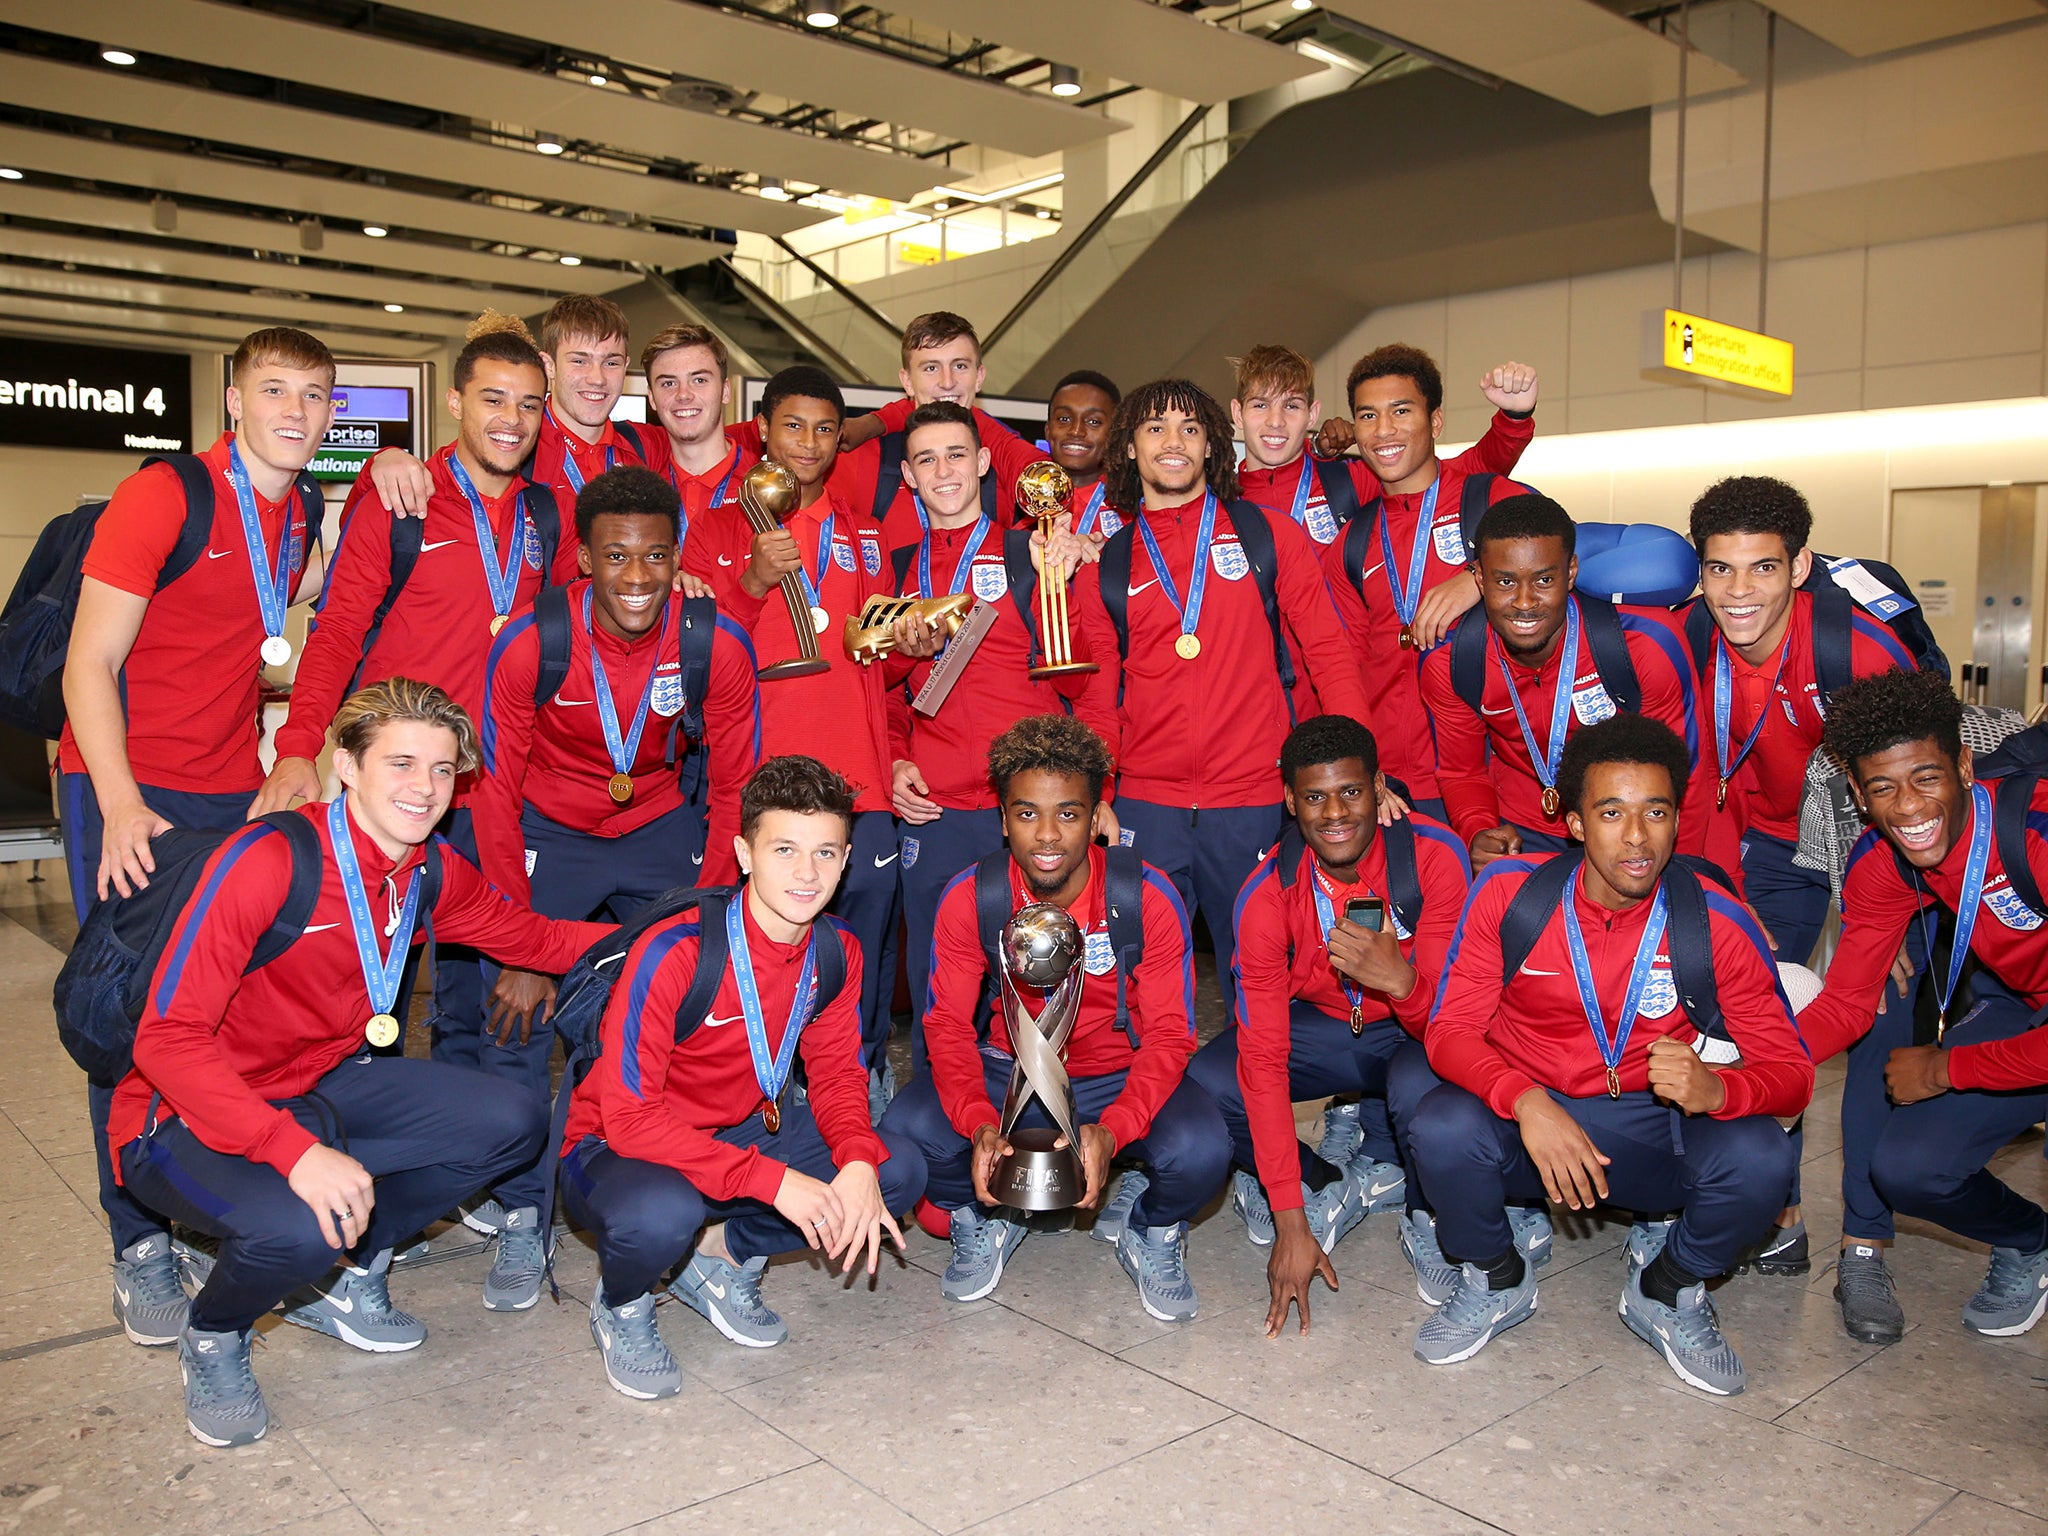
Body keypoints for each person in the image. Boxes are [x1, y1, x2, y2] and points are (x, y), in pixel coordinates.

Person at [111, 680, 614, 1447]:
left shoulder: (425, 870)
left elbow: (537, 941)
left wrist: (680, 933)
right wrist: (295, 1153)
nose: (425, 789)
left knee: (512, 1121)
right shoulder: (270, 860)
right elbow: (165, 1040)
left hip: (317, 1085)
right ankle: (215, 1334)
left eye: (443, 770)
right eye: (402, 764)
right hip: (180, 1112)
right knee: (300, 1224)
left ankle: (348, 1272)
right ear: (345, 766)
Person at [60, 325, 333, 1350]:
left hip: (230, 791)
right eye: (275, 391)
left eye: (312, 396)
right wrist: (124, 804)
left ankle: (210, 1198)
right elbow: (92, 664)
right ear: (232, 398)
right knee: (126, 1019)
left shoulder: (299, 508)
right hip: (127, 783)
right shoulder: (163, 496)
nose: (294, 413)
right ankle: (137, 1243)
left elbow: (286, 622)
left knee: (212, 1015)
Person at [1402, 714, 1810, 1395]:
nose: (1637, 837)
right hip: (1528, 1126)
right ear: (1575, 823)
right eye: (1612, 812)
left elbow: (1794, 1078)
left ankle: (1666, 1286)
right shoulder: (1510, 896)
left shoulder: (1715, 921)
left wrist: (1721, 1091)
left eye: (1656, 812)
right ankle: (1499, 1278)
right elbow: (1448, 1032)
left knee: (1763, 1157)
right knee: (1437, 1119)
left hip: (1648, 1128)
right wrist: (1525, 1099)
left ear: (1678, 819)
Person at [464, 465, 763, 1307]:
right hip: (549, 833)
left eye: (656, 557)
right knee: (512, 1019)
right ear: (584, 560)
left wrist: (707, 914)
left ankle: (676, 1193)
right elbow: (491, 787)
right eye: (617, 557)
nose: (637, 578)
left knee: (683, 1004)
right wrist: (521, 943)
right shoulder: (531, 639)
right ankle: (522, 1216)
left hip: (658, 824)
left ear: (677, 558)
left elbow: (737, 786)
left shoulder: (715, 641)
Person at [559, 755, 927, 1391]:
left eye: (826, 853)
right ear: (744, 852)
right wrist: (774, 1181)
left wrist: (859, 1161)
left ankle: (723, 1256)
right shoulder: (677, 952)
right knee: (658, 1213)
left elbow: (839, 1075)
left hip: (739, 1131)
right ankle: (622, 1304)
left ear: (845, 861)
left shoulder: (837, 949)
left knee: (896, 1173)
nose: (807, 874)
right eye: (784, 849)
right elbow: (628, 1117)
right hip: (621, 1145)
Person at [881, 715, 1230, 1322]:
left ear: (1096, 819)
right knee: (908, 1131)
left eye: (1068, 814)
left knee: (1203, 1148)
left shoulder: (1144, 896)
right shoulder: (972, 896)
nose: (1046, 835)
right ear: (1002, 818)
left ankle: (1149, 1226)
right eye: (1026, 814)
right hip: (1008, 1073)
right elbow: (945, 1027)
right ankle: (987, 1214)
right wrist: (978, 1124)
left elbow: (1172, 1034)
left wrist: (1115, 1128)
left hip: (1114, 1072)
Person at [1682, 475, 1915, 1272]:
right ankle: (1780, 1209)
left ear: (1801, 566)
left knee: (1876, 1026)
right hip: (1766, 850)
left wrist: (1899, 909)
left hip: (1873, 847)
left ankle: (1866, 1243)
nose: (1739, 592)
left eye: (1764, 569)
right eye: (1721, 569)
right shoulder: (1689, 638)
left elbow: (1911, 789)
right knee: (1759, 1012)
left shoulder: (1856, 651)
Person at [1070, 378, 1374, 987]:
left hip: (1254, 798)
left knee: (1260, 977)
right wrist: (1096, 792)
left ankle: (1252, 1084)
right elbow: (1100, 699)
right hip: (1145, 805)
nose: (1173, 442)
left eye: (1189, 428)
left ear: (1212, 443)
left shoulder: (1270, 536)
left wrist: (1358, 765)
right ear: (1130, 447)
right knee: (1141, 977)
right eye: (1154, 429)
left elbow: (1328, 656)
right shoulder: (1106, 565)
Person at [1185, 715, 1471, 1337]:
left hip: (1412, 1026)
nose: (1335, 813)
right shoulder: (1265, 894)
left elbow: (1458, 1024)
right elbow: (1262, 1058)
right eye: (1314, 797)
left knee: (1432, 1086)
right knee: (1209, 1082)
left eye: (1351, 792)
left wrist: (1400, 981)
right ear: (1290, 802)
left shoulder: (1435, 858)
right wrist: (1292, 1219)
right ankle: (1321, 1180)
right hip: (1323, 1029)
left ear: (1380, 788)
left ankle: (1427, 1214)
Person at [1792, 668, 2048, 1341]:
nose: (1908, 808)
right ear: (1857, 791)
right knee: (1907, 1169)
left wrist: (1943, 1070)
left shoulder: (2035, 833)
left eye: (1926, 779)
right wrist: (1747, 1063)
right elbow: (1847, 1004)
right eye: (1882, 787)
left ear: (1964, 765)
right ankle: (2031, 1239)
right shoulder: (1886, 862)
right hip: (2025, 1004)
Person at [883, 402, 1111, 1060]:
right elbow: (884, 694)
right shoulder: (897, 568)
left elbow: (1080, 682)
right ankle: (942, 1132)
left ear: (984, 464)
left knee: (1043, 979)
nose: (943, 471)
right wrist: (895, 763)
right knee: (939, 989)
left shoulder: (1034, 552)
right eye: (926, 459)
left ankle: (1050, 1127)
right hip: (935, 811)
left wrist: (1064, 585)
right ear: (907, 475)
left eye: (957, 455)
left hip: (1030, 813)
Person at [744, 366, 910, 1084]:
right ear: (761, 431)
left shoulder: (864, 531)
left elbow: (877, 667)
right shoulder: (724, 525)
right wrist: (750, 579)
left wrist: (906, 645)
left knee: (862, 948)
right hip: (765, 778)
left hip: (858, 782)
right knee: (763, 947)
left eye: (823, 429)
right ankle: (760, 1084)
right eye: (792, 426)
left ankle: (861, 1077)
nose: (808, 443)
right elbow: (708, 646)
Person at [1419, 494, 1709, 866]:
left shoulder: (1642, 644)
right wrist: (1479, 831)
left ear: (1571, 572)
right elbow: (1463, 771)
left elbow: (1684, 774)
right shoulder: (1452, 661)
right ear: (1478, 578)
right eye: (1505, 581)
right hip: (1521, 832)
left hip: (1626, 831)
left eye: (1543, 579)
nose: (1525, 602)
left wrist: (1684, 876)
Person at [1321, 344, 1537, 817]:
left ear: (1434, 422)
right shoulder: (1350, 545)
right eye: (1368, 416)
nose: (1384, 431)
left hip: (1495, 779)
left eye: (1401, 411)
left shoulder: (1490, 500)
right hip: (1394, 788)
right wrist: (1361, 771)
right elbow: (1345, 669)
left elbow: (1565, 565)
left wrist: (1479, 577)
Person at [358, 295, 669, 583]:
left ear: (626, 367)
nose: (597, 378)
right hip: (536, 631)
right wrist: (382, 460)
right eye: (579, 360)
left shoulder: (645, 445)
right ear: (549, 365)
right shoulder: (513, 441)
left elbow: (711, 448)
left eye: (611, 362)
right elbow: (438, 477)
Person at [1233, 343, 1534, 553]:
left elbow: (1460, 476)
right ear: (1237, 414)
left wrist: (1513, 419)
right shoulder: (1219, 501)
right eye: (1260, 405)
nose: (1276, 422)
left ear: (1311, 415)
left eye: (1291, 405)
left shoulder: (1347, 481)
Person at [826, 310, 1049, 547]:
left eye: (960, 366)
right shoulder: (865, 457)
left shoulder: (1001, 459)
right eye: (931, 368)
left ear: (979, 376)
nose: (947, 382)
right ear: (907, 381)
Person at [1044, 369, 1124, 544]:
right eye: (1064, 419)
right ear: (1048, 431)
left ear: (1114, 434)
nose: (1076, 431)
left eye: (1094, 421)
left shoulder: (1130, 502)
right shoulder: (1022, 497)